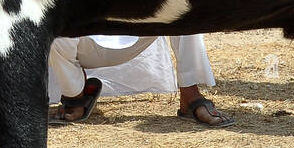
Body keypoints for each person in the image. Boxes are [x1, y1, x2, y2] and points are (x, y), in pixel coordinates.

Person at [48, 35, 233, 127]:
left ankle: (190, 95)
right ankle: (76, 95)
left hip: (137, 30)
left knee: (185, 7)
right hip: (83, 40)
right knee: (53, 30)